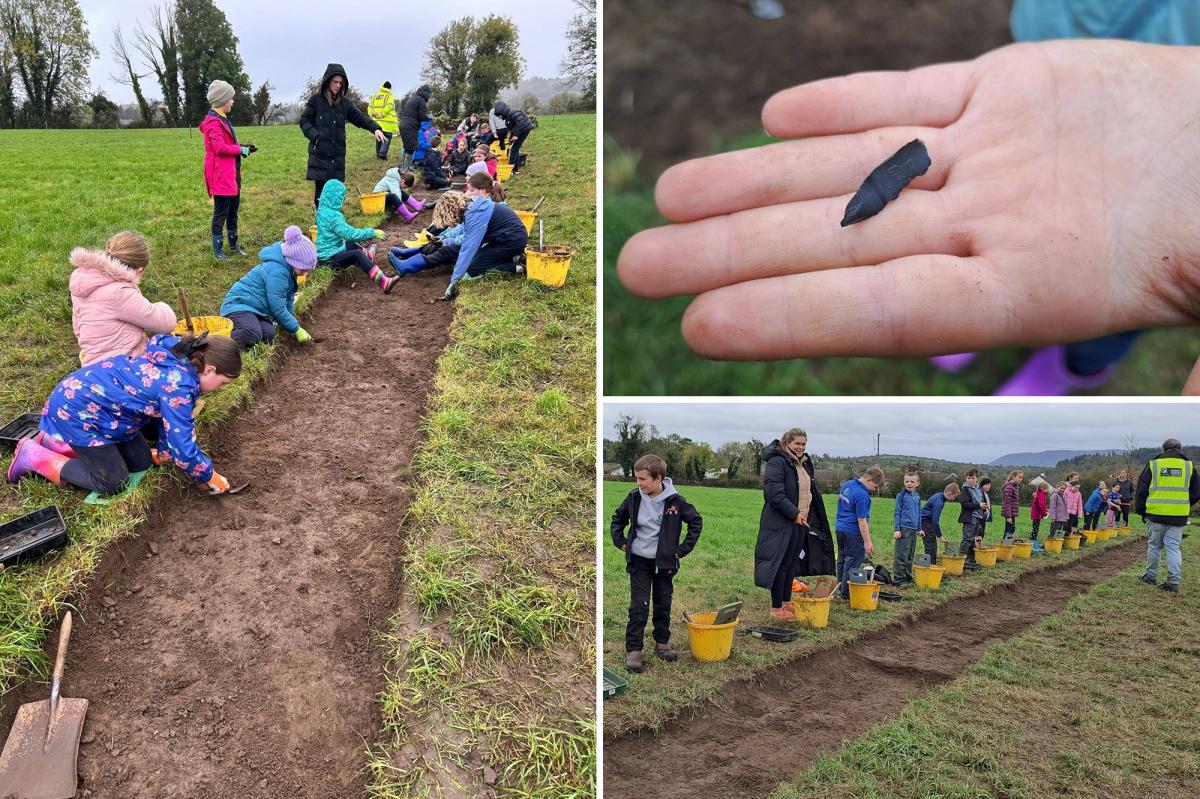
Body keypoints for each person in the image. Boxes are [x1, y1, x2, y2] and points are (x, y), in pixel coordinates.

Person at [616, 35, 1200, 396]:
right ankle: (978, 316)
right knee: (993, 261)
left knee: (1106, 284)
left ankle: (1077, 367)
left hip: (1149, 135)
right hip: (1066, 67)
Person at [8, 334, 240, 496]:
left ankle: (57, 443)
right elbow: (183, 448)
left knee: (140, 463)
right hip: (78, 412)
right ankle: (36, 456)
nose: (219, 388)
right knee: (113, 482)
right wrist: (209, 476)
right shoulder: (179, 387)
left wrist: (163, 448)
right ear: (210, 369)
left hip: (110, 413)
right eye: (222, 383)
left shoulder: (178, 357)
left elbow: (162, 418)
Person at [610, 454, 703, 673]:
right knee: (639, 605)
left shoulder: (676, 502)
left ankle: (662, 643)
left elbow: (696, 523)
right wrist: (622, 542)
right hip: (639, 562)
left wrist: (681, 551)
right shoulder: (634, 497)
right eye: (637, 478)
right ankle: (634, 650)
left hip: (665, 564)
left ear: (658, 478)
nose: (639, 483)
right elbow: (617, 520)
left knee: (663, 603)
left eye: (643, 479)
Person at [754, 429, 833, 620]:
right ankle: (776, 607)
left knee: (791, 564)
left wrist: (806, 515)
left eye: (804, 444)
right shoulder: (778, 462)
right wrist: (794, 513)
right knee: (779, 564)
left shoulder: (803, 463)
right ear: (787, 442)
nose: (801, 447)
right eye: (797, 443)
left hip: (800, 522)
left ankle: (787, 602)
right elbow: (773, 494)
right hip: (782, 523)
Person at [69, 231, 177, 366]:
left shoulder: (84, 281)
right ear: (139, 270)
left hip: (91, 364)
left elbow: (78, 326)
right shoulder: (120, 293)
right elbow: (165, 323)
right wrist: (161, 306)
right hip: (121, 366)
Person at [299, 63, 385, 211]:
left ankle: (334, 223)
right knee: (321, 192)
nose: (338, 85)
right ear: (328, 81)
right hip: (320, 154)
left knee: (336, 193)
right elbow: (304, 121)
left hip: (337, 155)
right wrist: (315, 137)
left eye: (341, 83)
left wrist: (375, 128)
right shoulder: (316, 100)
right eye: (335, 82)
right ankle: (320, 223)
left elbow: (360, 118)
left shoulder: (345, 104)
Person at [220, 226, 318, 349]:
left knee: (268, 334)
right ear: (293, 261)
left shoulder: (288, 269)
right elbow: (278, 309)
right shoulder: (278, 273)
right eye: (303, 269)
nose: (305, 274)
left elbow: (287, 300)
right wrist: (296, 329)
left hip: (257, 309)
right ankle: (217, 344)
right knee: (252, 333)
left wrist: (293, 323)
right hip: (239, 305)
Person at [441, 172, 528, 300]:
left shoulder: (476, 212)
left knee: (473, 269)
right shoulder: (476, 207)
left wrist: (454, 282)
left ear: (482, 191)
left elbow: (468, 248)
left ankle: (517, 268)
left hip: (511, 240)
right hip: (504, 239)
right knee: (474, 261)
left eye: (471, 190)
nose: (468, 193)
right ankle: (515, 258)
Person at [1136, 438, 1200, 593]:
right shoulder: (1189, 466)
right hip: (1178, 516)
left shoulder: (1154, 464)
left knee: (1154, 546)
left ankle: (1150, 576)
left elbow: (1141, 490)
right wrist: (1184, 504)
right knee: (1173, 548)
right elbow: (1197, 492)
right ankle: (1173, 582)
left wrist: (1141, 511)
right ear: (1180, 449)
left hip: (1155, 514)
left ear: (1163, 450)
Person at [201, 79, 254, 259]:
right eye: (231, 98)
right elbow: (219, 148)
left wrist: (243, 146)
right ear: (222, 100)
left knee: (233, 211)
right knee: (221, 213)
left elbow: (228, 144)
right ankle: (218, 252)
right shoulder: (212, 123)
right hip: (221, 176)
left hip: (232, 173)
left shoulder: (223, 119)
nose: (233, 102)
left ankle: (233, 246)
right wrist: (239, 149)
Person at [315, 180, 397, 294]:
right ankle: (384, 282)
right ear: (336, 198)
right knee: (357, 254)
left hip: (328, 254)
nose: (343, 200)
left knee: (350, 244)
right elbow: (351, 234)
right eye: (342, 197)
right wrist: (372, 232)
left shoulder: (322, 210)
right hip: (330, 260)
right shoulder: (334, 216)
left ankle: (369, 256)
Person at [388, 191, 469, 276]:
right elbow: (461, 228)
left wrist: (450, 241)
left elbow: (469, 239)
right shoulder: (467, 212)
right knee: (439, 242)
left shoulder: (472, 215)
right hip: (470, 244)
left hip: (478, 251)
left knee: (448, 249)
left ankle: (407, 266)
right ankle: (409, 255)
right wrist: (445, 236)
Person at [834, 465, 882, 599]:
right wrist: (867, 542)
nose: (875, 490)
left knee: (842, 560)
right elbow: (861, 520)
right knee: (853, 561)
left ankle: (839, 587)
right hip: (853, 532)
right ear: (869, 480)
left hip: (840, 529)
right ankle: (845, 593)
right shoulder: (863, 495)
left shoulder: (847, 485)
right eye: (875, 486)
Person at [892, 470, 921, 586]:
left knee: (910, 554)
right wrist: (897, 529)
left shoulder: (917, 497)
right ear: (904, 482)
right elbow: (897, 513)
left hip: (914, 529)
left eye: (912, 481)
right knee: (901, 555)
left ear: (917, 483)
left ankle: (908, 577)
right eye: (907, 481)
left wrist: (920, 528)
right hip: (904, 528)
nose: (909, 483)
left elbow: (919, 512)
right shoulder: (901, 496)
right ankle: (899, 579)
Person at [919, 482, 960, 565]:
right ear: (949, 493)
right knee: (931, 547)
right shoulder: (939, 502)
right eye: (954, 497)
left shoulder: (939, 495)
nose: (953, 499)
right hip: (926, 522)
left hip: (925, 521)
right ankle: (930, 568)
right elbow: (935, 521)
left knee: (931, 546)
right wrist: (940, 536)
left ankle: (930, 566)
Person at [491, 101, 535, 173]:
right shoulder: (507, 118)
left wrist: (516, 135)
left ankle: (511, 168)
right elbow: (513, 129)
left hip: (525, 129)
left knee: (514, 149)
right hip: (521, 130)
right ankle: (516, 168)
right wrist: (510, 139)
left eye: (500, 115)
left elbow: (520, 123)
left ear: (503, 111)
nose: (500, 117)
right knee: (515, 148)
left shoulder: (514, 112)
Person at [399, 85, 433, 173]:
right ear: (426, 93)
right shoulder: (421, 100)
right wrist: (428, 118)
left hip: (403, 124)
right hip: (410, 126)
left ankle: (403, 167)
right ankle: (406, 169)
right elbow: (421, 115)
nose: (429, 97)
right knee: (410, 147)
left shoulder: (413, 98)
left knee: (406, 146)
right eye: (429, 95)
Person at [959, 468, 986, 570]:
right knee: (967, 538)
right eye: (968, 478)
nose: (970, 480)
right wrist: (979, 505)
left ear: (977, 479)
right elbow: (965, 504)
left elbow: (981, 501)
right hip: (969, 517)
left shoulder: (978, 489)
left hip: (978, 516)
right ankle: (961, 557)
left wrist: (984, 509)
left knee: (974, 538)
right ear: (966, 478)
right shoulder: (965, 489)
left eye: (973, 478)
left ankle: (970, 558)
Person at [367, 80, 398, 160]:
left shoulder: (375, 95)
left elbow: (370, 107)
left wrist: (372, 114)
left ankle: (378, 154)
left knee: (379, 137)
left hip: (376, 122)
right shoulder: (389, 95)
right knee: (387, 137)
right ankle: (383, 154)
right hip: (387, 122)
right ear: (390, 88)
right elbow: (390, 106)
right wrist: (381, 114)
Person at [1002, 470, 1024, 539]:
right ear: (1013, 477)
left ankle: (1006, 544)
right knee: (1010, 530)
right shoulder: (1009, 487)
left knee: (1010, 529)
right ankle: (1006, 545)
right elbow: (1007, 502)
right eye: (1019, 477)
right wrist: (1008, 516)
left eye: (1022, 478)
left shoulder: (1015, 486)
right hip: (1009, 513)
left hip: (1012, 513)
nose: (1021, 479)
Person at [1065, 472, 1084, 542]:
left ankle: (1070, 538)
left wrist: (1079, 513)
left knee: (1073, 524)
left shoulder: (1078, 492)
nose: (1077, 479)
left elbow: (1079, 504)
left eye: (1078, 478)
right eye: (1075, 478)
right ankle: (1064, 537)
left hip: (1074, 511)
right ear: (1070, 478)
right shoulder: (1066, 487)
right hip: (1066, 511)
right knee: (1065, 525)